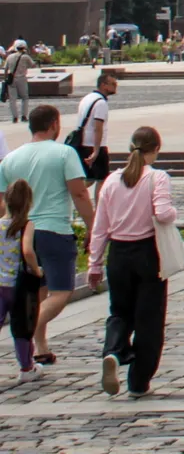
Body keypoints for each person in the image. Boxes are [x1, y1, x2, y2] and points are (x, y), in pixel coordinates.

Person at [0, 104, 95, 366]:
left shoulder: (11, 159)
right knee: (62, 291)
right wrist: (93, 226)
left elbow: (2, 204)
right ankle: (26, 327)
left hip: (21, 232)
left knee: (37, 291)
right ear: (54, 124)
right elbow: (79, 193)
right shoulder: (64, 153)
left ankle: (40, 347)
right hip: (54, 230)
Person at [87, 125, 173, 397]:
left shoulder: (112, 181)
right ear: (156, 150)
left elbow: (100, 227)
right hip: (147, 253)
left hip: (118, 254)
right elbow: (163, 213)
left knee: (119, 311)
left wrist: (94, 264)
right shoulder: (157, 178)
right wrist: (172, 212)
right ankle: (138, 381)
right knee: (149, 319)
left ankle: (113, 351)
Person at [2, 179, 43, 380]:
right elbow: (27, 251)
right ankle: (26, 368)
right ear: (29, 203)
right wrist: (36, 270)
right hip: (18, 286)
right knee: (22, 327)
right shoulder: (26, 225)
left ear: (5, 201)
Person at [74, 74, 118, 204]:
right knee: (101, 180)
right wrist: (96, 151)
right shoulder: (101, 103)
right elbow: (98, 128)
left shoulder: (87, 98)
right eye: (113, 84)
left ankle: (75, 196)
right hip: (95, 146)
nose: (115, 87)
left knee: (89, 179)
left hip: (83, 143)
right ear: (103, 85)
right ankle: (98, 209)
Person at [2, 41, 30, 124]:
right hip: (22, 78)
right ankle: (24, 116)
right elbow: (33, 65)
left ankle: (14, 117)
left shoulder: (9, 57)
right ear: (24, 48)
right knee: (25, 97)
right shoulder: (25, 57)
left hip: (11, 79)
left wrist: (6, 79)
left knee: (12, 99)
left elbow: (5, 69)